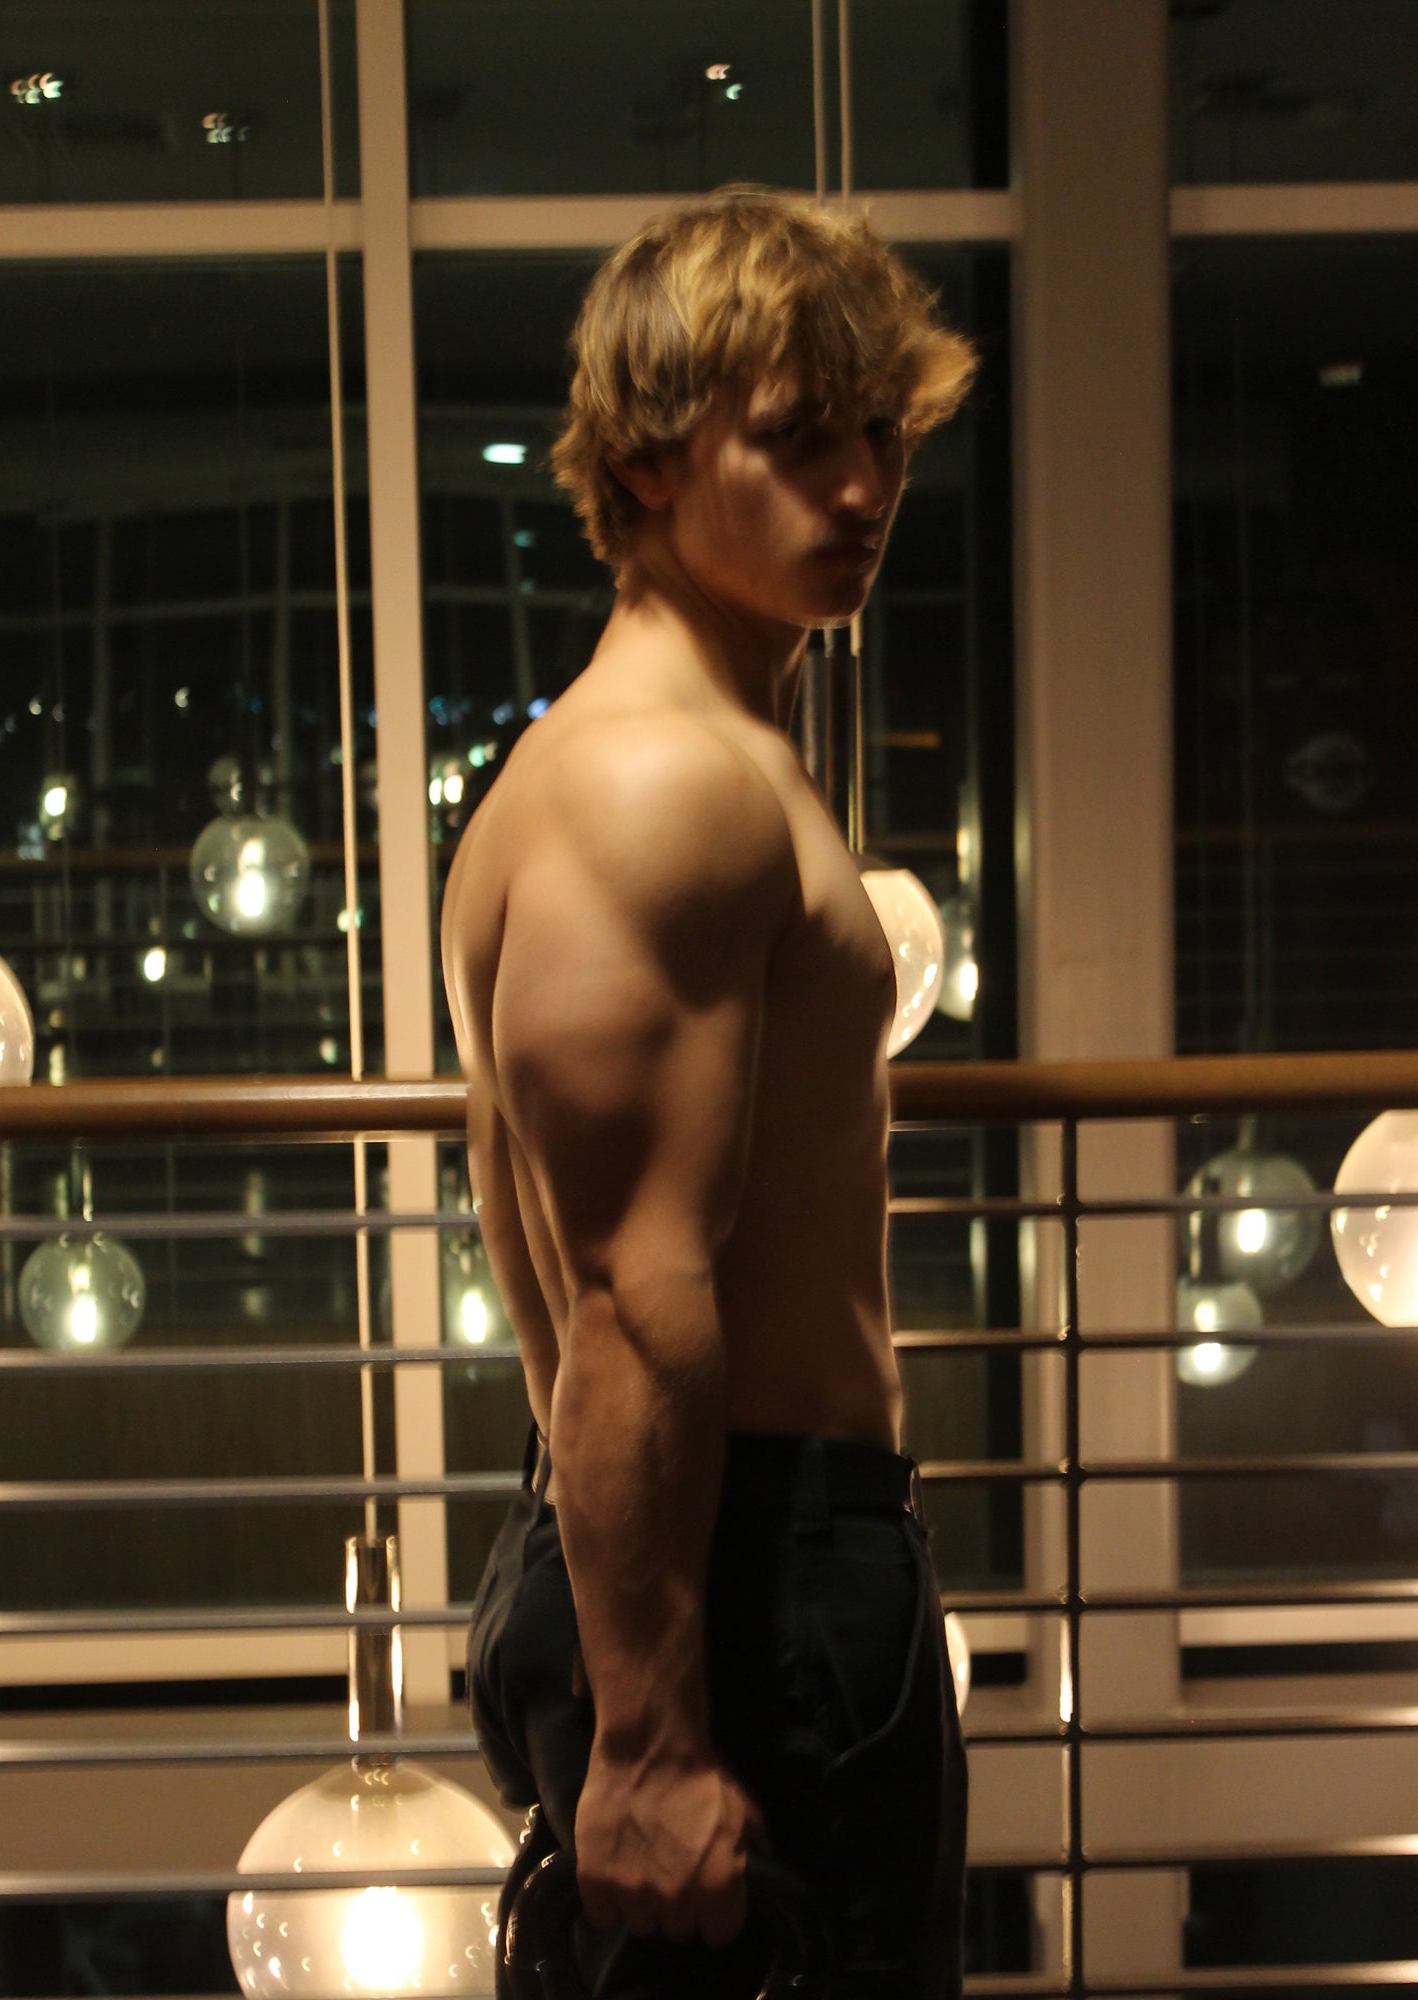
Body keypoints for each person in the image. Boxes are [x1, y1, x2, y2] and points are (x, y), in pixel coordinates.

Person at [441, 184, 977, 1998]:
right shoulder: (658, 784)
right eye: (801, 437)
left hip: (746, 1569)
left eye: (884, 433)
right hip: (742, 1593)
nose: (864, 484)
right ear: (648, 465)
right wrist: (653, 1742)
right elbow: (631, 1289)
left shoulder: (693, 758)